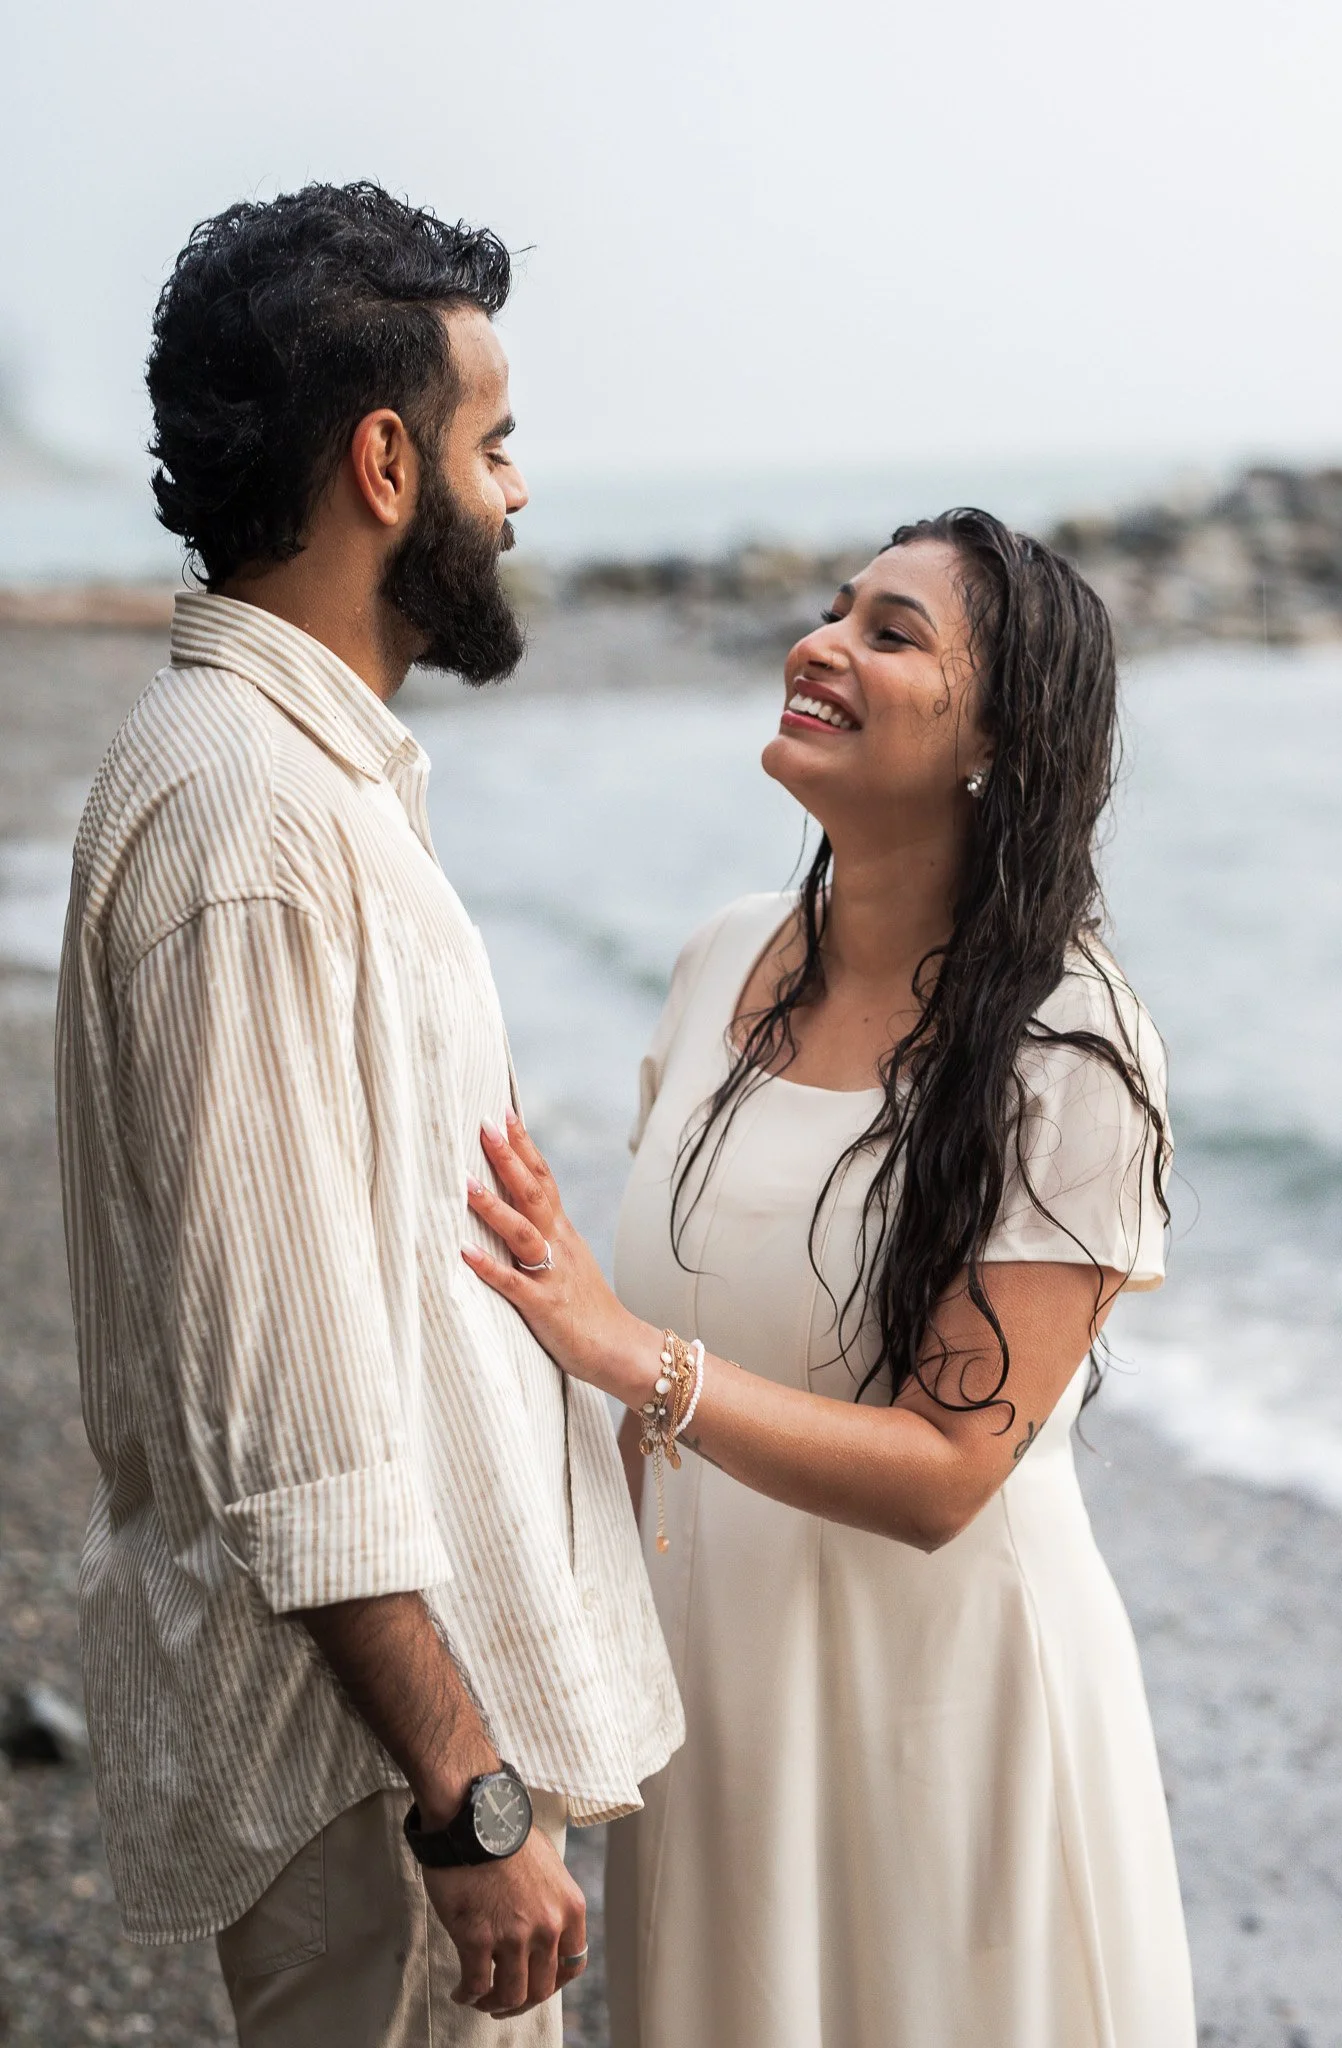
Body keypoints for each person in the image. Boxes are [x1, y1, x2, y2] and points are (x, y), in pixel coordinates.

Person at [55, 182, 682, 2048]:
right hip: (376, 1783)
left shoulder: (306, 779)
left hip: (398, 1763)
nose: (518, 495)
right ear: (388, 463)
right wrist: (469, 1797)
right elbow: (288, 1397)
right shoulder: (249, 820)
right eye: (497, 445)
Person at [464, 509, 1198, 2047]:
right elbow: (635, 1353)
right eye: (835, 609)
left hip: (947, 1727)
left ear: (997, 736)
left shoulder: (1072, 1037)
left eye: (892, 633)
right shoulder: (723, 955)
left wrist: (626, 1355)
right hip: (717, 1711)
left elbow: (949, 1473)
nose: (822, 643)